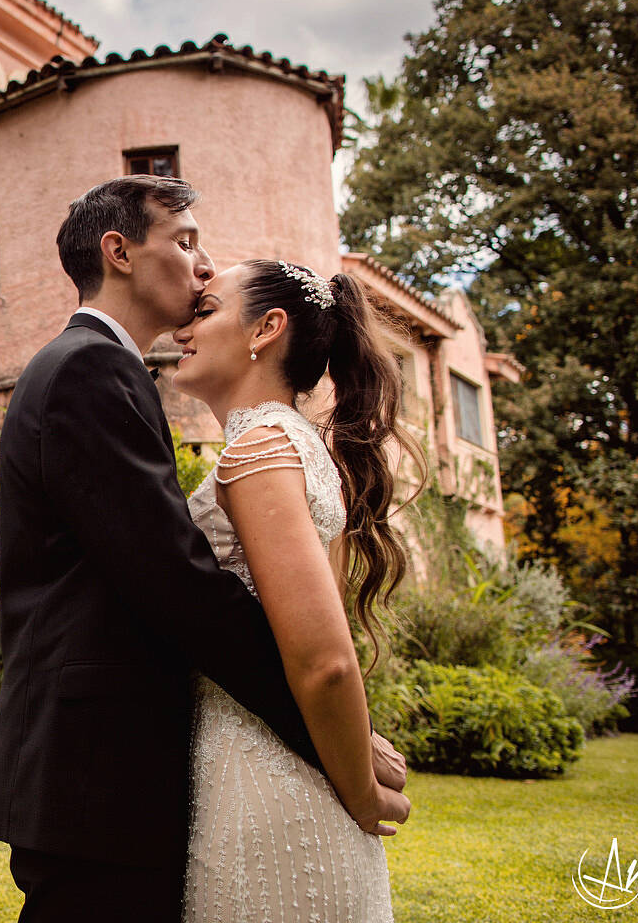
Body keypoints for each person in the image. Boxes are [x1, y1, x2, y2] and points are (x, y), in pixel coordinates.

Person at [0, 176, 408, 923]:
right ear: (118, 252)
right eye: (184, 243)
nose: (202, 266)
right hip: (96, 769)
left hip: (115, 770)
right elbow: (178, 583)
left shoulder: (118, 377)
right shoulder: (90, 368)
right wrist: (335, 740)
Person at [173, 258, 422, 922]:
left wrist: (363, 794)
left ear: (266, 329)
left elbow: (326, 661)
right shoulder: (300, 443)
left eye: (205, 311)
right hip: (280, 777)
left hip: (264, 790)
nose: (181, 330)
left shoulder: (261, 445)